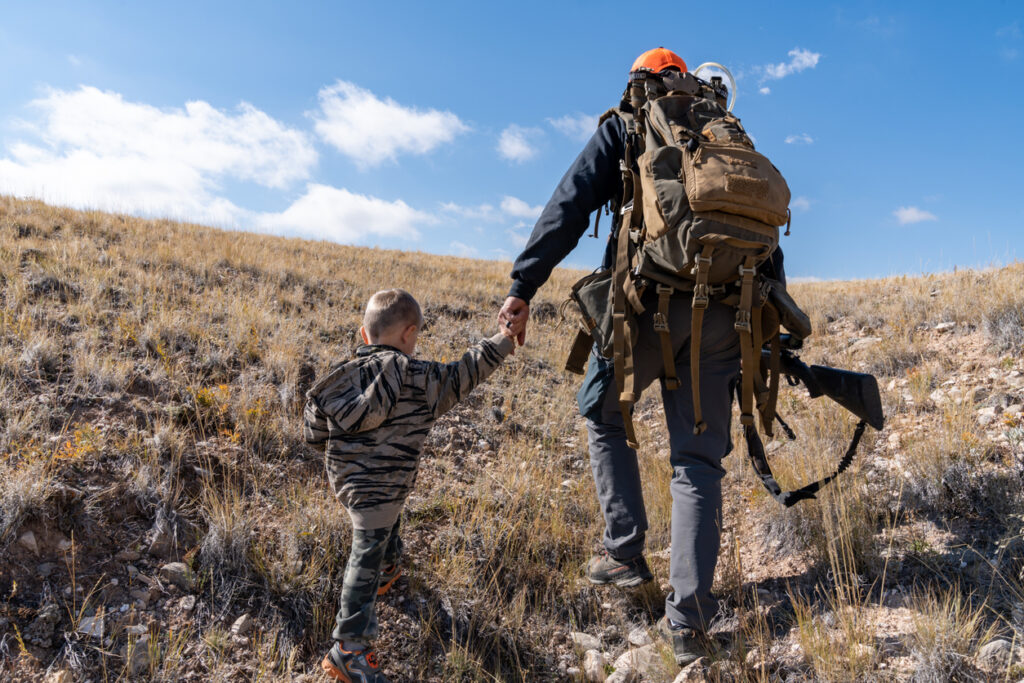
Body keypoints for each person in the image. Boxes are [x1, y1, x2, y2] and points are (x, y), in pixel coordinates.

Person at [498, 47, 785, 666]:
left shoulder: (627, 126)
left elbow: (568, 207)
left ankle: (625, 549)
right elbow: (763, 233)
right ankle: (688, 624)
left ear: (641, 82)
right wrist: (772, 328)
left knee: (602, 413)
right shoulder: (728, 134)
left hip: (643, 309)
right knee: (698, 463)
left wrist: (523, 285)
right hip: (726, 317)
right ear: (684, 80)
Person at [305, 289, 515, 682]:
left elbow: (313, 432)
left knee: (384, 523)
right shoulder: (421, 379)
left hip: (349, 482)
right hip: (386, 484)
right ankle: (348, 648)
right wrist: (502, 339)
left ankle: (388, 568)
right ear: (409, 334)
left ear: (364, 335)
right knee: (363, 554)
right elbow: (466, 372)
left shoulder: (339, 377)